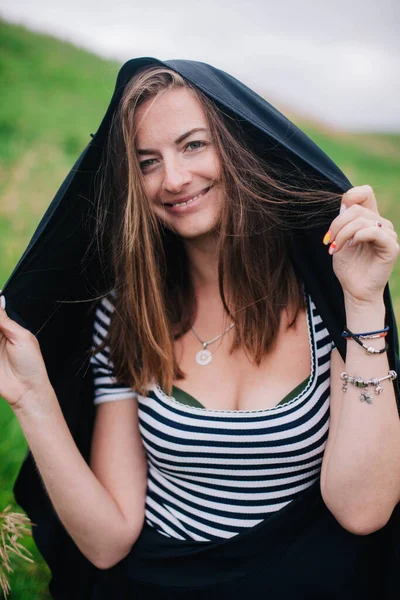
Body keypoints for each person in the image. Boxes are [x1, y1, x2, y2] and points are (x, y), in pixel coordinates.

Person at [0, 58, 399, 599]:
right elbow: (108, 540)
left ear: (238, 146)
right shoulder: (129, 311)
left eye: (193, 145)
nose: (174, 179)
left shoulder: (325, 303)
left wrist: (364, 302)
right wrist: (30, 397)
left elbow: (363, 510)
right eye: (147, 162)